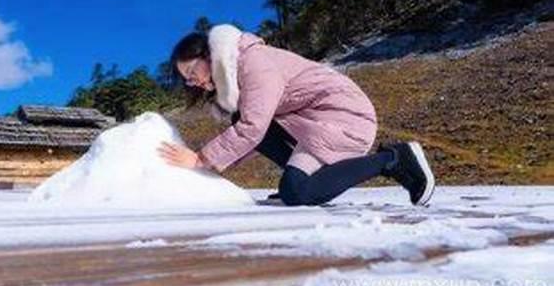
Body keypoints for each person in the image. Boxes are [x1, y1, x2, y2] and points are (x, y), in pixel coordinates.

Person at [157, 24, 435, 206]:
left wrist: (201, 159)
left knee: (296, 192)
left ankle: (394, 158)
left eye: (193, 73)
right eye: (188, 80)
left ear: (210, 57)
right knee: (240, 119)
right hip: (315, 124)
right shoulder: (239, 73)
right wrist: (211, 169)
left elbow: (252, 128)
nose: (193, 83)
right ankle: (305, 176)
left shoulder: (254, 64)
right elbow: (254, 132)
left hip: (345, 118)